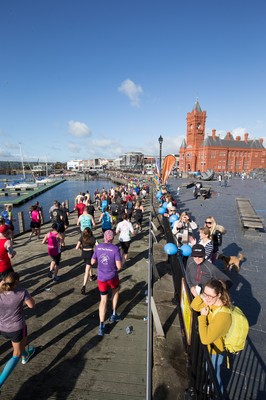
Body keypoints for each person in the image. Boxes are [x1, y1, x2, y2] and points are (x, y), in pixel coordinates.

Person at [191, 279, 233, 394]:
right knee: (208, 369)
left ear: (219, 295)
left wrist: (203, 317)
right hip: (210, 348)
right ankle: (212, 389)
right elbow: (194, 306)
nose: (207, 298)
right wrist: (201, 297)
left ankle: (219, 394)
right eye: (205, 294)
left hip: (216, 350)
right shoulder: (211, 302)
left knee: (214, 375)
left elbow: (205, 339)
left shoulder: (223, 316)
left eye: (211, 296)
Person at [0, 271, 35, 389]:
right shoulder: (22, 292)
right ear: (16, 283)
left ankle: (27, 353)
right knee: (16, 354)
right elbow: (31, 306)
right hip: (17, 328)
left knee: (20, 346)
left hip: (2, 328)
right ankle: (0, 383)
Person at [91, 230, 122, 336]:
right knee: (115, 291)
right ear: (112, 238)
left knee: (103, 300)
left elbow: (92, 262)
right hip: (112, 276)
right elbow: (119, 266)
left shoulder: (98, 247)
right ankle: (113, 314)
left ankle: (101, 325)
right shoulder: (115, 249)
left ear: (104, 237)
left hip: (101, 277)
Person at [76, 227, 97, 295]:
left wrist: (81, 248)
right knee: (86, 271)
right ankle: (84, 286)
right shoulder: (93, 238)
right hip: (90, 254)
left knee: (89, 265)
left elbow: (77, 247)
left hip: (84, 254)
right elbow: (98, 246)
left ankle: (91, 276)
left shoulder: (82, 237)